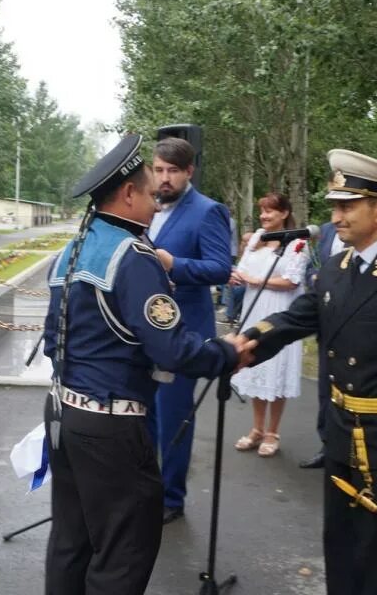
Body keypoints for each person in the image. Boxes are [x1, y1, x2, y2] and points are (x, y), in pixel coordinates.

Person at [233, 149, 377, 595]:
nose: (335, 217)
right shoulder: (337, 269)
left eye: (346, 206)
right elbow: (297, 318)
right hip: (340, 431)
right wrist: (244, 344)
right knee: (339, 545)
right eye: (334, 206)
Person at [41, 134, 254, 595]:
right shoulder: (133, 256)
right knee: (123, 553)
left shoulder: (72, 250)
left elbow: (50, 340)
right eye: (148, 190)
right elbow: (174, 351)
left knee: (71, 542)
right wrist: (228, 353)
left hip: (62, 412)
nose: (156, 203)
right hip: (110, 427)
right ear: (128, 194)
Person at [146, 136, 233, 524]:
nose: (164, 179)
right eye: (159, 170)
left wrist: (173, 264)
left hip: (183, 333)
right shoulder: (148, 206)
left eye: (172, 172)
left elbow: (219, 268)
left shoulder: (208, 211)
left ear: (189, 172)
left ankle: (171, 497)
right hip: (144, 331)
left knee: (173, 417)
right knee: (142, 415)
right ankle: (144, 487)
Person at [230, 193, 310, 457]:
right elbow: (242, 269)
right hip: (253, 309)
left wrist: (257, 279)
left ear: (284, 213)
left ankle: (272, 431)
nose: (264, 216)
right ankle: (256, 428)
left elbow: (293, 280)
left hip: (279, 310)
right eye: (262, 211)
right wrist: (238, 277)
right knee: (255, 366)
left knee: (277, 368)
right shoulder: (255, 239)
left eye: (270, 212)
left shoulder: (297, 242)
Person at [300, 218, 345, 469]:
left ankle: (346, 449)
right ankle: (327, 445)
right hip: (327, 318)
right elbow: (312, 265)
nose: (337, 214)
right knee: (325, 386)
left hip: (356, 322)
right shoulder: (327, 230)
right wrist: (314, 277)